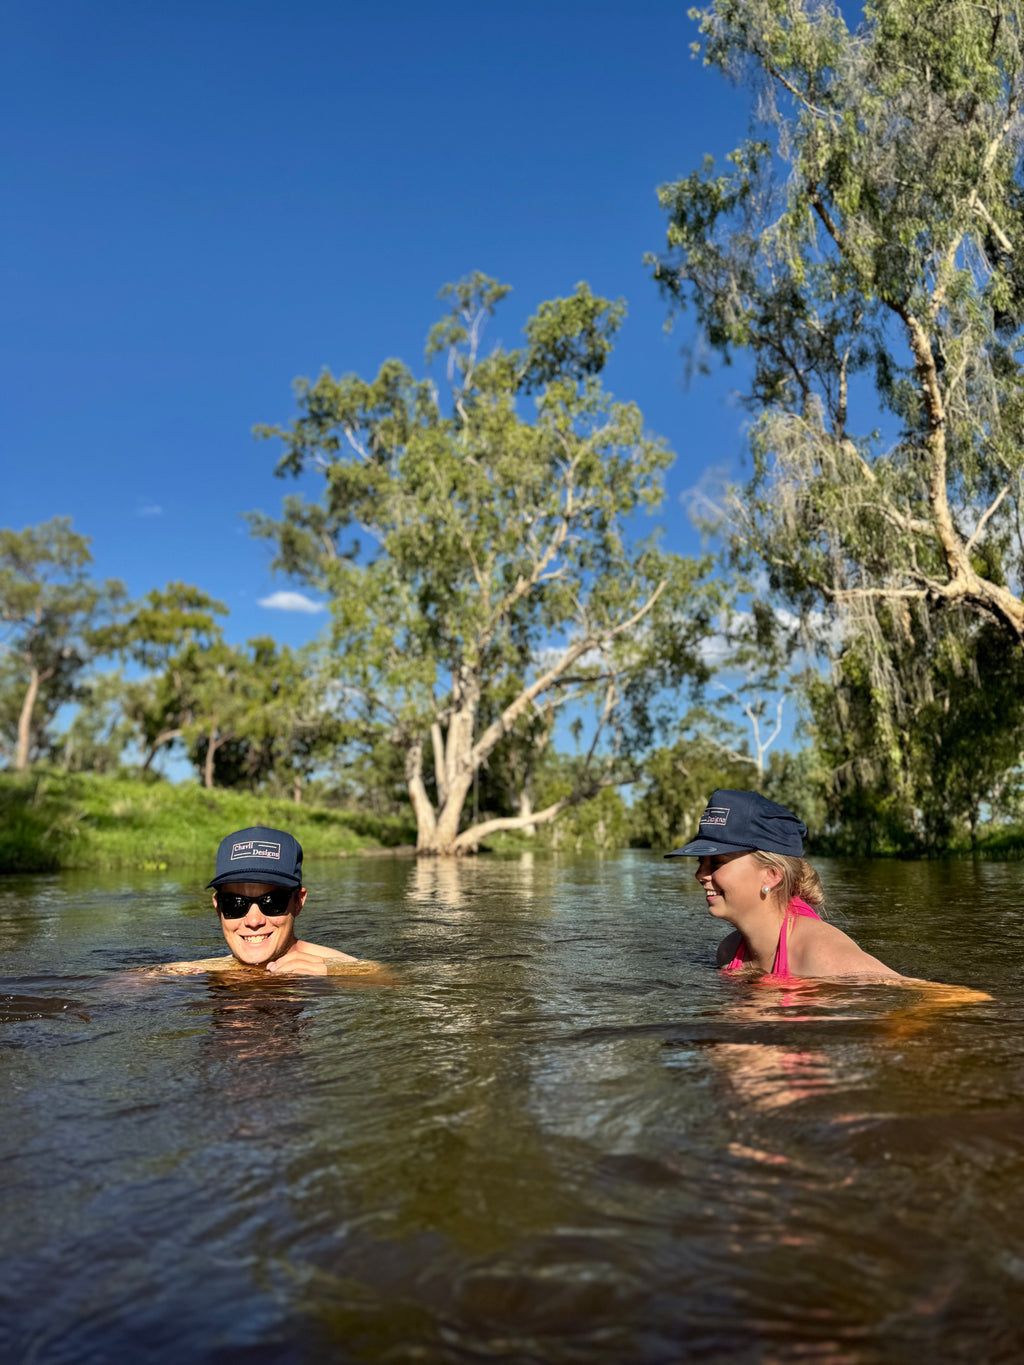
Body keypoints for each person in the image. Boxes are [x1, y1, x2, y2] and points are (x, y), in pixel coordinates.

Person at [666, 790, 900, 979]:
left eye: (716, 863)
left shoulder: (819, 954)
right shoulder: (728, 952)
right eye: (701, 861)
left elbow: (930, 999)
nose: (700, 874)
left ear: (771, 875)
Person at [156, 825, 384, 977]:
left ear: (298, 902)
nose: (254, 920)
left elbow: (391, 980)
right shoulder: (192, 971)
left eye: (272, 901)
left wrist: (331, 974)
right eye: (235, 903)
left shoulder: (342, 969)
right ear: (218, 908)